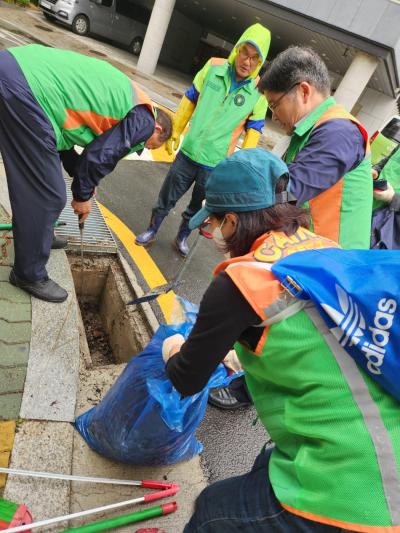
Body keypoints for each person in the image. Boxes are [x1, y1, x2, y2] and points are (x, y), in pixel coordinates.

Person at [162, 148, 400, 533]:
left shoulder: (241, 282)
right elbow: (312, 336)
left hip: (362, 486)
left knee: (211, 513)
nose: (217, 235)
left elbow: (186, 378)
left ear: (233, 221)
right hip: (384, 436)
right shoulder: (323, 247)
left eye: (217, 223)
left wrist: (171, 347)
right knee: (264, 468)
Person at [210, 46, 374, 409]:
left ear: (302, 91)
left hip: (331, 266)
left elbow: (285, 191)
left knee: (288, 331)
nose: (274, 117)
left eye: (274, 105)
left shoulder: (338, 132)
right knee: (278, 324)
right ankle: (253, 384)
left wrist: (231, 206)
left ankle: (259, 395)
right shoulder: (314, 130)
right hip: (309, 255)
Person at [0, 44, 172, 303]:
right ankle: (28, 273)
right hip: (28, 90)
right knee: (48, 195)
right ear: (157, 128)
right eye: (152, 145)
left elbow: (70, 146)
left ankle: (39, 237)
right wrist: (82, 195)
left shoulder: (128, 99)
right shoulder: (144, 119)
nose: (145, 147)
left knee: (46, 182)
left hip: (18, 73)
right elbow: (99, 157)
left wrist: (84, 183)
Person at [135, 23, 271, 256]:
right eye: (244, 53)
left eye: (254, 58)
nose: (247, 62)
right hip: (189, 152)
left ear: (260, 63)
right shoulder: (213, 67)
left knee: (197, 207)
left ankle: (181, 238)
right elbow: (190, 97)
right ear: (236, 50)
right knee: (166, 197)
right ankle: (152, 229)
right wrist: (176, 129)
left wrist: (244, 170)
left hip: (215, 164)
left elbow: (253, 133)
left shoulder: (259, 94)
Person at [371, 143, 400, 248]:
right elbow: (390, 158)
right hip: (372, 203)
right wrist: (376, 170)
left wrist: (392, 198)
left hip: (391, 223)